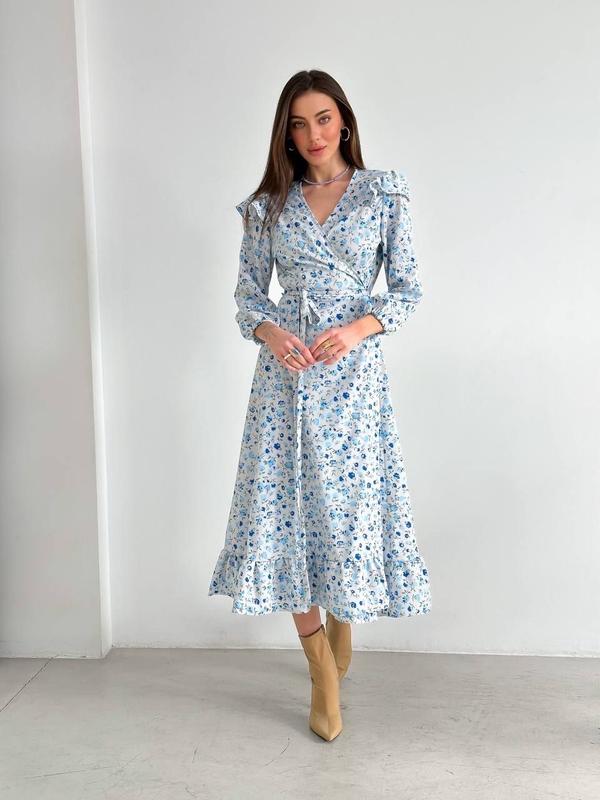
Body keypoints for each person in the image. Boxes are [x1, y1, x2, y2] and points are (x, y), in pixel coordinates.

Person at [208, 69, 432, 742]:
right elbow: (249, 295)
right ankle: (321, 674)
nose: (313, 134)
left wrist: (359, 329)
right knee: (285, 512)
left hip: (355, 381)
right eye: (299, 123)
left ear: (345, 121)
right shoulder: (269, 207)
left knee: (348, 510)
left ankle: (345, 617)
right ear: (286, 132)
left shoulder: (382, 193)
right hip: (288, 381)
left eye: (324, 118)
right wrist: (271, 332)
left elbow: (408, 289)